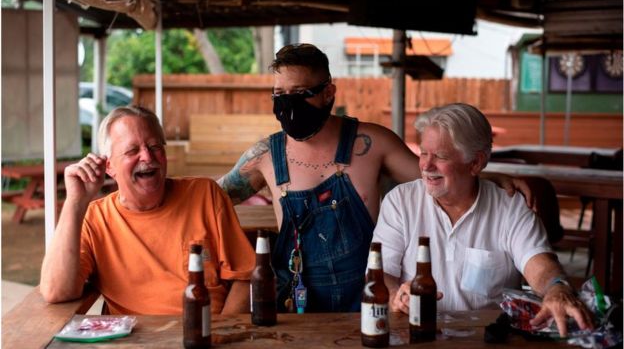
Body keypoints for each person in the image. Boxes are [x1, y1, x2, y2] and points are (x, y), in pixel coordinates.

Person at [217, 43, 532, 313]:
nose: (289, 104)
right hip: (296, 304)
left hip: (367, 299)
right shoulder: (264, 157)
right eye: (280, 93)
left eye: (301, 93)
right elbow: (214, 198)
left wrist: (488, 176)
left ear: (329, 93)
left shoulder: (372, 143)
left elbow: (435, 176)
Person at [372, 103, 593, 337]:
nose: (426, 165)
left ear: (476, 163)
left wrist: (556, 288)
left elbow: (539, 265)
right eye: (424, 153)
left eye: (440, 156)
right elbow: (380, 273)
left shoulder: (510, 207)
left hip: (488, 339)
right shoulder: (400, 201)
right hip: (415, 334)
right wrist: (397, 296)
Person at [40, 105, 254, 315]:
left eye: (155, 147)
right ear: (109, 167)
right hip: (135, 339)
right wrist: (75, 202)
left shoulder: (205, 194)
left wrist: (221, 334)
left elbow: (245, 278)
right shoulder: (95, 218)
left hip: (205, 337)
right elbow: (56, 291)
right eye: (132, 150)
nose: (147, 157)